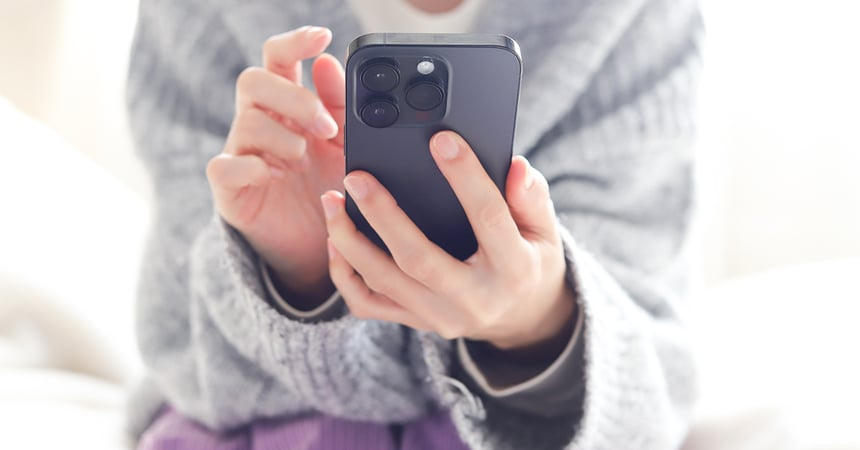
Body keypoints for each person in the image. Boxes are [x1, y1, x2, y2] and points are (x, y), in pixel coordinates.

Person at [126, 0, 703, 448]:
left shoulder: (638, 17)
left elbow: (646, 387)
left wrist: (534, 322)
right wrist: (291, 270)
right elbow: (179, 339)